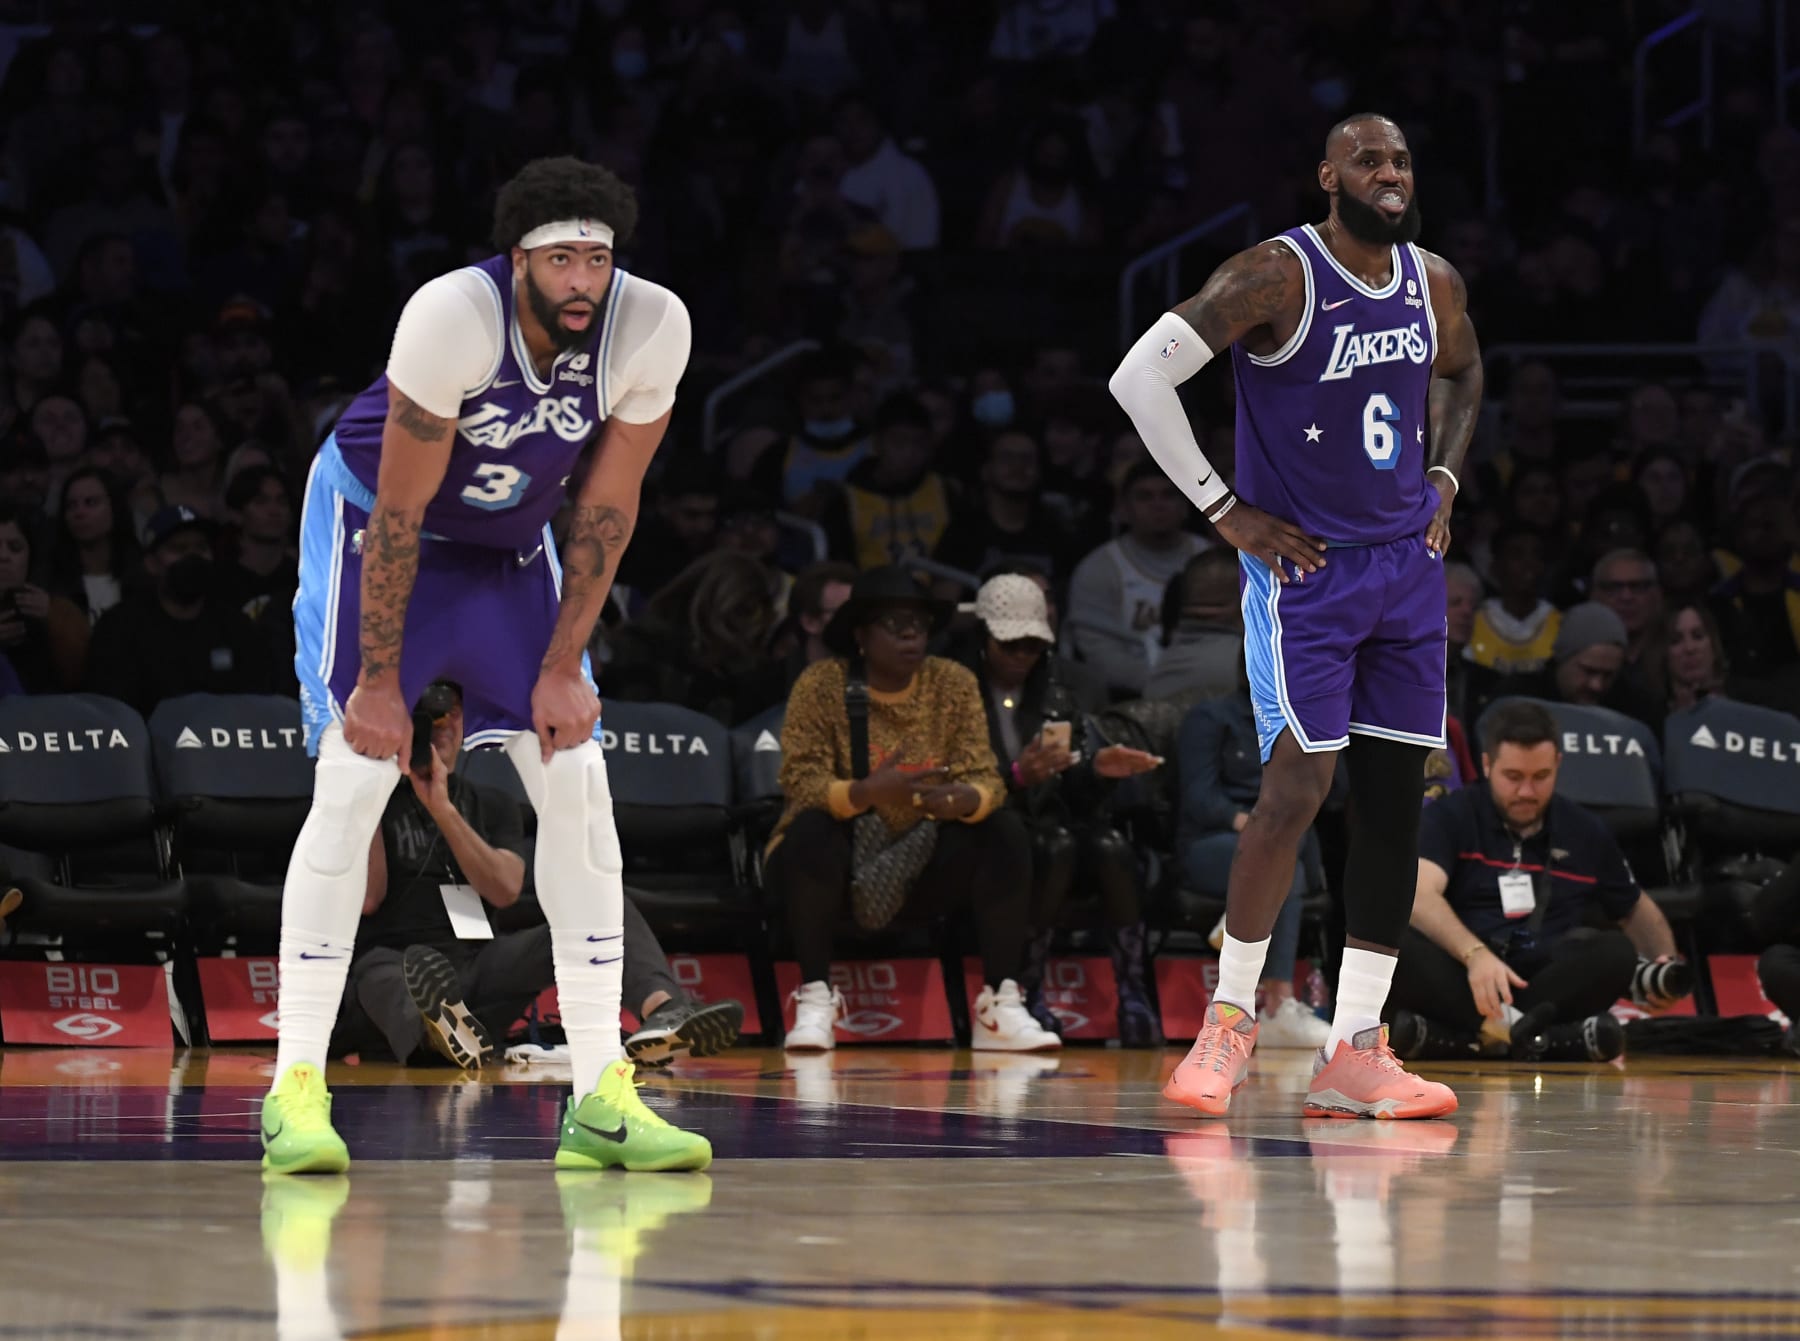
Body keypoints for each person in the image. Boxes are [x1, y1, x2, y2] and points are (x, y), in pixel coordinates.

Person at [264, 155, 710, 1176]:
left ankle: (602, 1092)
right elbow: (404, 515)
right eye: (561, 258)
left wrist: (564, 666)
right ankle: (294, 1084)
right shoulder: (448, 317)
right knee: (352, 777)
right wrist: (380, 685)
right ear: (519, 262)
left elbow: (606, 505)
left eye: (597, 258)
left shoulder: (654, 327)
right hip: (383, 528)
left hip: (511, 550)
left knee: (579, 783)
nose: (582, 280)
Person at [1109, 112, 1480, 1119]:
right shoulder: (1277, 275)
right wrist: (1224, 510)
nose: (1390, 172)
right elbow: (1138, 377)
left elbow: (1466, 372)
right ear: (1328, 175)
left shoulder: (1431, 281)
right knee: (1297, 788)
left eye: (1402, 157)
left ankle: (1356, 1045)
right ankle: (1229, 1019)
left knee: (1398, 801)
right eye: (1369, 158)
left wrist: (1443, 477)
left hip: (1406, 569)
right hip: (1307, 576)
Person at [335, 681, 742, 1071]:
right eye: (428, 716)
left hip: (477, 968)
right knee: (381, 971)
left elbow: (506, 889)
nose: (440, 727)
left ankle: (665, 1013)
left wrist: (442, 808)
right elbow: (369, 897)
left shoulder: (491, 804)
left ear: (464, 722)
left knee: (607, 908)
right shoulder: (376, 798)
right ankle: (435, 1035)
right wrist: (372, 790)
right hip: (395, 963)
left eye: (450, 714)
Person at [766, 566, 1058, 1054]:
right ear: (860, 635)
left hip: (921, 854)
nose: (910, 635)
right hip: (831, 860)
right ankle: (816, 999)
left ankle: (1001, 1002)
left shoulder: (952, 682)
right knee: (810, 830)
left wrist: (970, 799)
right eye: (894, 624)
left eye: (919, 625)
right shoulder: (822, 684)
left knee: (1003, 828)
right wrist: (866, 792)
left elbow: (984, 774)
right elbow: (799, 780)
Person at [1390, 700, 1683, 1062]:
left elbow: (1634, 906)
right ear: (1486, 764)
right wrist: (1475, 955)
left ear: (1558, 764)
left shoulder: (1585, 830)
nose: (1527, 792)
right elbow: (1418, 896)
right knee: (1393, 940)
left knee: (1615, 951)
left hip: (1544, 979)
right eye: (1513, 777)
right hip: (1465, 973)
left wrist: (1666, 965)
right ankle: (1536, 1038)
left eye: (1540, 777)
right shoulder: (1452, 816)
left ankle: (1477, 1037)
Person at [956, 573, 1161, 1042]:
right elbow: (954, 780)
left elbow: (1075, 793)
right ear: (983, 638)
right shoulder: (955, 692)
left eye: (1034, 646)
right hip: (985, 829)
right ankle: (1025, 989)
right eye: (1012, 646)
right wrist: (1017, 777)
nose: (1024, 657)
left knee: (1109, 846)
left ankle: (1133, 992)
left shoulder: (1057, 692)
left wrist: (1097, 771)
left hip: (1049, 821)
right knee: (1055, 846)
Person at [85, 503, 277, 713]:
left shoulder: (236, 627)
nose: (192, 557)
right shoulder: (119, 628)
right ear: (151, 563)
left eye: (201, 547)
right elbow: (112, 714)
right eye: (179, 548)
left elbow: (257, 707)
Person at [1065, 458, 1208, 698]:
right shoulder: (1098, 569)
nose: (1158, 505)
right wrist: (1166, 686)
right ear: (1123, 509)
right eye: (1144, 497)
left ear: (1185, 506)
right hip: (1127, 699)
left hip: (1208, 691)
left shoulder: (1210, 561)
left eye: (1169, 495)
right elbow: (1099, 654)